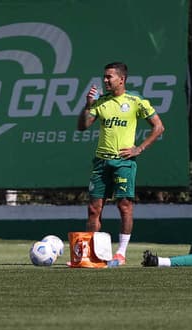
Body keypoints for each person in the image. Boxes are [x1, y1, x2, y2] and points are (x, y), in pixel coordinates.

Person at [77, 62, 165, 267]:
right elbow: (83, 126)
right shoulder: (101, 101)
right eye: (104, 77)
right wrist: (88, 104)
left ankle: (121, 253)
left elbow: (159, 127)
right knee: (93, 208)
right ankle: (89, 255)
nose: (105, 80)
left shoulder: (135, 100)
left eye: (109, 77)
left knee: (124, 206)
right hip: (101, 162)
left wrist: (139, 149)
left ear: (121, 79)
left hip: (124, 163)